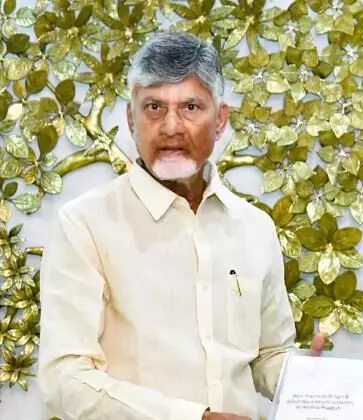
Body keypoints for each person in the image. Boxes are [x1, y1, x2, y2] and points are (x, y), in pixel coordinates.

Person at [38, 32, 323, 420]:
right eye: (154, 107)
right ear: (131, 119)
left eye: (190, 107)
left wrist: (326, 382)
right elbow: (65, 380)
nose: (171, 126)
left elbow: (268, 356)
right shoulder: (84, 223)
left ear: (220, 120)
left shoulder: (255, 227)